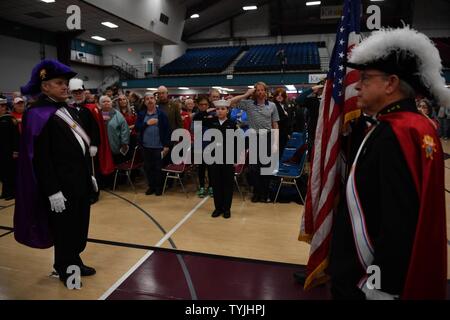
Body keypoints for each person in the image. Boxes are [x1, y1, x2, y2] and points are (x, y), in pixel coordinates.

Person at [329, 27, 448, 300]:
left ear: (391, 83)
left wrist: (381, 286)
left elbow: (398, 220)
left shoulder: (395, 133)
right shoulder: (410, 126)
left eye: (366, 78)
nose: (358, 85)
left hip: (368, 280)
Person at [14, 59, 97, 288]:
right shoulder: (38, 114)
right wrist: (52, 191)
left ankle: (75, 261)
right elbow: (40, 158)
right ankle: (66, 270)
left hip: (78, 180)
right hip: (60, 187)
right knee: (65, 232)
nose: (65, 87)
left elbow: (77, 146)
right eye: (59, 83)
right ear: (45, 86)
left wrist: (87, 174)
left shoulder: (66, 109)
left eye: (66, 83)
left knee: (79, 227)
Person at [228, 82, 280, 203]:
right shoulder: (249, 104)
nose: (261, 92)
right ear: (255, 92)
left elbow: (275, 124)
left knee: (266, 167)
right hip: (253, 137)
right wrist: (246, 94)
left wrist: (275, 143)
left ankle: (265, 194)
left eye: (263, 90)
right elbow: (230, 102)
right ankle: (256, 193)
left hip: (267, 137)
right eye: (258, 90)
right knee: (254, 168)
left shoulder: (272, 105)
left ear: (266, 92)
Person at [205, 99, 237, 219]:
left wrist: (235, 159)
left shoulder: (232, 124)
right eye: (218, 109)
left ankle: (227, 209)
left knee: (227, 184)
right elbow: (197, 119)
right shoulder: (211, 122)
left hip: (228, 157)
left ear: (227, 111)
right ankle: (218, 208)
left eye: (223, 109)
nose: (220, 111)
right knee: (216, 183)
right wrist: (208, 110)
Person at [135, 93, 170, 196]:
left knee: (158, 168)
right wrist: (147, 124)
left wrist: (166, 146)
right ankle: (151, 186)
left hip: (159, 147)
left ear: (155, 100)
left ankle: (159, 187)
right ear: (145, 102)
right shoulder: (142, 114)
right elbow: (137, 128)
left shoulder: (161, 114)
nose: (149, 100)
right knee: (148, 168)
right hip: (145, 146)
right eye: (147, 99)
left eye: (151, 98)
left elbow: (167, 130)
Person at [0, 97, 19, 200]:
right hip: (1, 151)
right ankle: (5, 192)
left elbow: (16, 136)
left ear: (4, 107)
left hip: (9, 151)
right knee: (2, 173)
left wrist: (16, 150)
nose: (1, 108)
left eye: (2, 106)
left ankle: (11, 193)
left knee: (9, 173)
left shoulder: (10, 119)